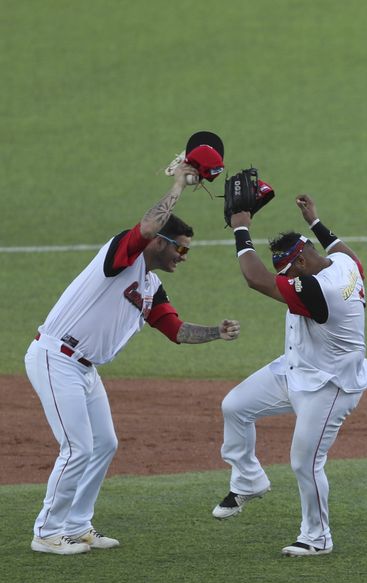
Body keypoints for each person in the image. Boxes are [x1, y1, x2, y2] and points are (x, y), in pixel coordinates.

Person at [26, 162, 239, 554]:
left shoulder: (150, 285)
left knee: (104, 444)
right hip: (56, 357)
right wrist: (179, 183)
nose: (184, 256)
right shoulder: (121, 257)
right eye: (181, 247)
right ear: (160, 241)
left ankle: (76, 525)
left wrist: (215, 333)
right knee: (77, 448)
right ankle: (47, 532)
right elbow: (144, 227)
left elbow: (175, 331)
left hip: (85, 369)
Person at [215, 194, 367, 557]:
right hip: (296, 368)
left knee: (304, 461)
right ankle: (249, 480)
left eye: (287, 273)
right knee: (234, 406)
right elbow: (346, 250)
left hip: (330, 386)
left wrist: (241, 227)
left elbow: (256, 280)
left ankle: (317, 537)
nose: (284, 282)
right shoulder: (343, 264)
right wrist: (316, 221)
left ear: (300, 261)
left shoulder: (321, 288)